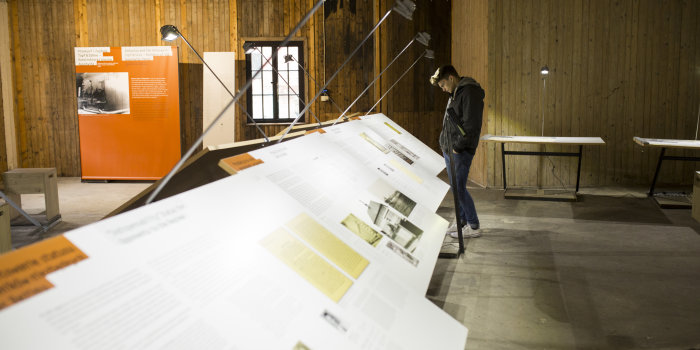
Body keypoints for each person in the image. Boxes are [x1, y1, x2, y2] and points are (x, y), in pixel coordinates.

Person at [430, 65, 485, 238]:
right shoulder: (455, 93)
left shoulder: (469, 92)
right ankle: (462, 221)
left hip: (460, 150)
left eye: (443, 85)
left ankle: (473, 225)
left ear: (451, 78)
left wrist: (458, 147)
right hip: (450, 148)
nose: (443, 89)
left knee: (459, 188)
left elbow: (472, 125)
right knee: (455, 188)